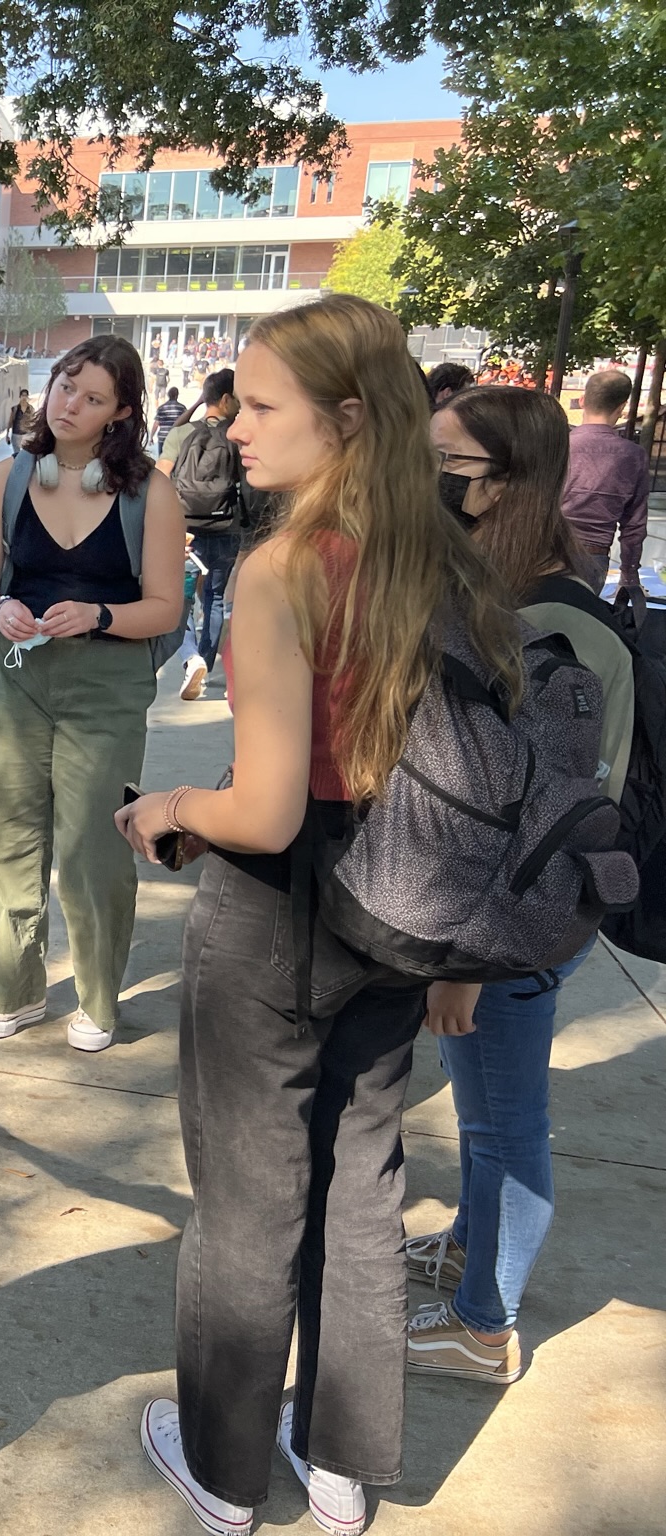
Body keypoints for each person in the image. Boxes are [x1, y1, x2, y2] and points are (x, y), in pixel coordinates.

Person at [116, 294, 524, 1536]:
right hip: (406, 898)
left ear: (345, 419)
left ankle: (226, 1472)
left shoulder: (286, 565)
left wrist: (168, 804)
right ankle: (344, 1466)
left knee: (243, 1207)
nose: (233, 425)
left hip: (283, 910)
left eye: (261, 403)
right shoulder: (445, 553)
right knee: (359, 1186)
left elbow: (268, 808)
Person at [407, 385, 632, 1386]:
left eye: (447, 467)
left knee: (505, 1120)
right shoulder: (510, 598)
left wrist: (465, 960)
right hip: (511, 913)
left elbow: (530, 822)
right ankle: (469, 1251)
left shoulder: (544, 624)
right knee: (486, 1107)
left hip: (519, 919)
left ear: (504, 485)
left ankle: (482, 1327)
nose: (430, 481)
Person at [0, 336, 185, 1053]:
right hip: (18, 677)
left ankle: (97, 998)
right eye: (63, 386)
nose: (69, 405)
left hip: (107, 682)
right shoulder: (7, 480)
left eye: (91, 398)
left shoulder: (152, 492)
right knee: (6, 833)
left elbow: (165, 608)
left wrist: (99, 615)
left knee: (93, 845)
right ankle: (14, 989)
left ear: (121, 411)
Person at [161, 371, 257, 702]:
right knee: (214, 598)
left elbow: (160, 475)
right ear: (228, 400)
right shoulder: (239, 435)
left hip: (185, 529)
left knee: (180, 602)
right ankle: (206, 660)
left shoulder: (183, 431)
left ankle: (192, 658)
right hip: (226, 527)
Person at [561, 369, 651, 593]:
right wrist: (629, 574)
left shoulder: (558, 444)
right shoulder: (633, 455)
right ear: (622, 408)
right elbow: (634, 524)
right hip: (593, 558)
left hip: (543, 550)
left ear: (582, 400)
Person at [152, 385, 186, 451]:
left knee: (162, 459)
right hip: (177, 438)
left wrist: (151, 437)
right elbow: (186, 423)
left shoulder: (161, 408)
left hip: (163, 438)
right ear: (177, 395)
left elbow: (156, 424)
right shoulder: (182, 408)